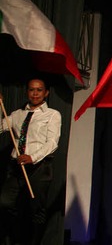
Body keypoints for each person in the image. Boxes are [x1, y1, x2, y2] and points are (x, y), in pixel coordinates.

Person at [0, 77, 61, 245]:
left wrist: (32, 157)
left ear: (46, 93)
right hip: (17, 166)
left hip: (39, 167)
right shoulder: (17, 114)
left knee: (36, 210)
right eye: (31, 89)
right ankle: (16, 237)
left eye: (39, 90)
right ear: (27, 92)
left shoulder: (52, 115)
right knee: (5, 202)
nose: (35, 93)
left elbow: (52, 142)